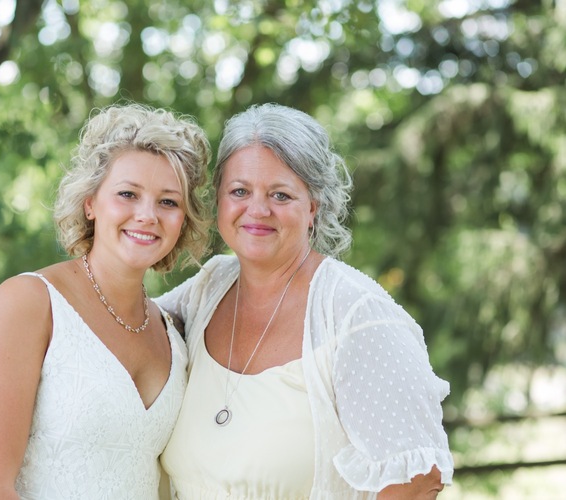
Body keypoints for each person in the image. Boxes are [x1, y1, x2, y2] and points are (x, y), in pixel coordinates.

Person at [157, 103, 454, 499]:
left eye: (280, 195)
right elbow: (124, 322)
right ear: (220, 200)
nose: (257, 210)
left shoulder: (357, 316)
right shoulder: (208, 288)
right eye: (240, 191)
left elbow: (418, 479)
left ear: (313, 206)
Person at [0, 103, 211, 499]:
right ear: (90, 202)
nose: (147, 215)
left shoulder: (174, 333)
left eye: (168, 202)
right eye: (128, 194)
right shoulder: (28, 304)